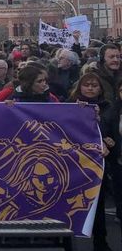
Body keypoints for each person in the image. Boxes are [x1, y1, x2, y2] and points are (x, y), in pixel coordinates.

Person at [68, 72, 113, 251]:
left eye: (94, 85)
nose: (90, 88)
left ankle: (100, 241)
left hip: (97, 164)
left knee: (97, 205)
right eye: (87, 85)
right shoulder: (70, 105)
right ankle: (68, 241)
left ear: (100, 88)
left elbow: (111, 131)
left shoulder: (109, 107)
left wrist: (109, 140)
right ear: (80, 87)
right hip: (74, 164)